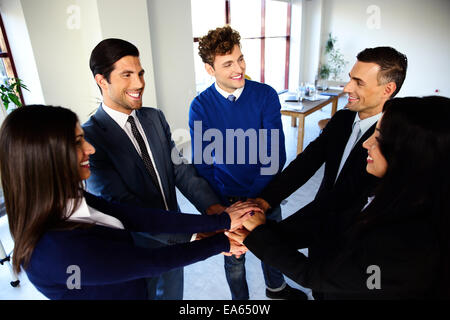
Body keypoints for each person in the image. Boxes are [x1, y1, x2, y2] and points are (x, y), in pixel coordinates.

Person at [0, 105, 261, 300]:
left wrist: (219, 220)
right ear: (46, 159)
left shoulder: (69, 198)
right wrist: (221, 241)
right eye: (78, 142)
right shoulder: (54, 250)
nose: (89, 148)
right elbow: (148, 261)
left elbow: (137, 216)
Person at [227, 96, 450, 299]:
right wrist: (261, 229)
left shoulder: (413, 241)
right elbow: (327, 218)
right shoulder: (385, 190)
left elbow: (317, 275)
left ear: (409, 153)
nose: (366, 144)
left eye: (378, 137)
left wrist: (259, 235)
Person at [83, 38, 227, 300]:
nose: (139, 84)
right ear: (102, 80)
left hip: (174, 244)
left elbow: (180, 170)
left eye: (140, 73)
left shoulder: (154, 117)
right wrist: (192, 233)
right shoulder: (89, 139)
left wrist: (213, 209)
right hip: (136, 252)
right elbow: (120, 205)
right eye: (127, 75)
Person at [189, 26, 305, 300]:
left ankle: (276, 289)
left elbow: (274, 153)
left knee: (272, 245)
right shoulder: (201, 106)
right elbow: (203, 164)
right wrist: (224, 206)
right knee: (233, 256)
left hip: (265, 194)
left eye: (240, 59)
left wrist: (255, 202)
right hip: (227, 197)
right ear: (210, 69)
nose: (238, 68)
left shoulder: (265, 95)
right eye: (228, 63)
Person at [254, 47, 408, 214]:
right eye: (350, 79)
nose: (347, 88)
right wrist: (265, 200)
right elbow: (306, 162)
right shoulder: (342, 119)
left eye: (359, 82)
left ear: (387, 89)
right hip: (321, 218)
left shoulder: (397, 138)